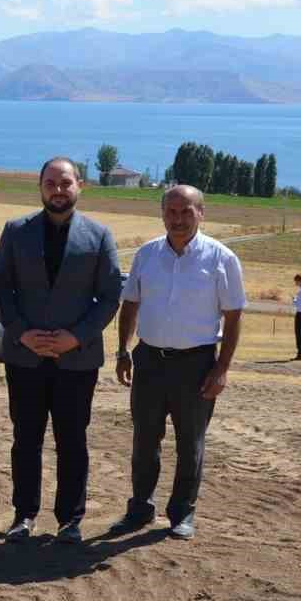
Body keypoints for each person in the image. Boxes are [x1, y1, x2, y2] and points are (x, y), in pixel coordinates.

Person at [0, 157, 124, 545]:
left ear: (79, 185)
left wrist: (77, 336)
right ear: (40, 187)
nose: (58, 190)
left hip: (77, 360)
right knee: (26, 439)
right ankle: (24, 515)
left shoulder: (99, 236)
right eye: (51, 183)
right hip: (26, 356)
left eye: (65, 183)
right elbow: (1, 287)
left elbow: (110, 295)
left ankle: (70, 520)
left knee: (73, 440)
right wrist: (19, 333)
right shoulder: (16, 231)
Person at [109, 185, 245, 541]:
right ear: (162, 214)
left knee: (190, 442)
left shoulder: (222, 259)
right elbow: (131, 304)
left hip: (196, 365)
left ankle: (182, 512)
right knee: (144, 439)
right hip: (150, 360)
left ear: (201, 213)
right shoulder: (147, 255)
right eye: (171, 212)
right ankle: (140, 508)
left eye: (186, 211)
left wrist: (222, 368)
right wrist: (123, 350)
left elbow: (233, 318)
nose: (178, 219)